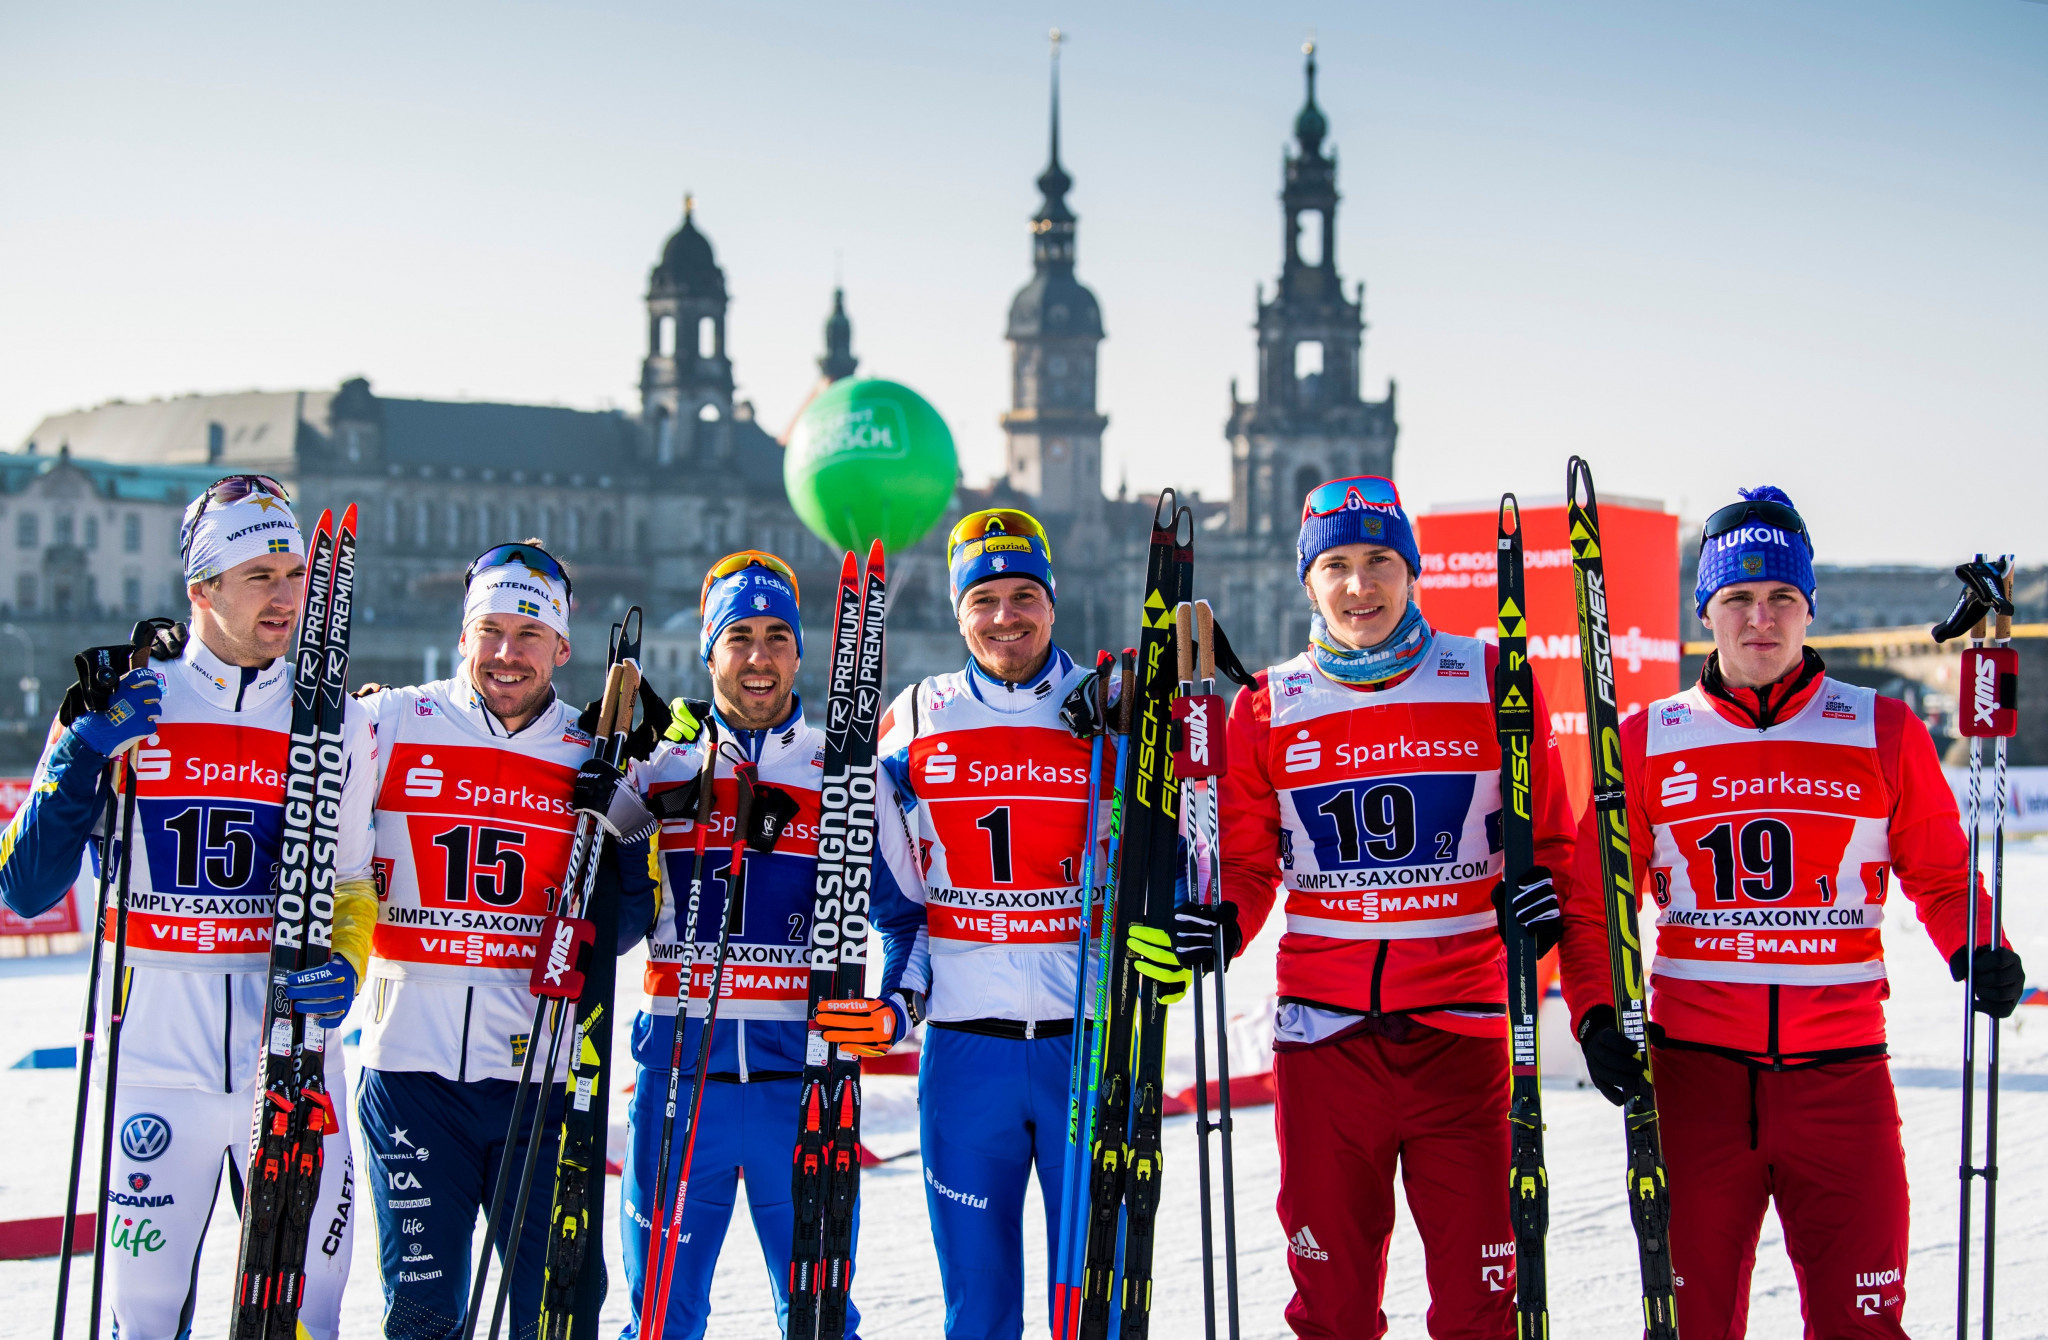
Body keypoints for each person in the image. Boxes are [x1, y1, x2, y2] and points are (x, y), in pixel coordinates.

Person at [1549, 487, 2026, 1338]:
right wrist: (1590, 1011)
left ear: (1810, 609)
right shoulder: (1646, 737)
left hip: (1841, 1081)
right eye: (1737, 599)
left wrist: (1978, 942)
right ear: (1707, 612)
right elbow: (1591, 903)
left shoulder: (1881, 728)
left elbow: (1945, 875)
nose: (1760, 620)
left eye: (1782, 599)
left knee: (1863, 1322)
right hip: (1695, 1080)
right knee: (1694, 1321)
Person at [1192, 475, 1577, 1340]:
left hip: (1466, 1036)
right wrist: (1224, 921)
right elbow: (1253, 866)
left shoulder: (1490, 677)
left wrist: (1540, 909)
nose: (1359, 586)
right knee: (1331, 1304)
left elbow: (1550, 844)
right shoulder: (1267, 704)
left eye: (1379, 562)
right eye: (1336, 565)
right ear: (1309, 580)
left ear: (1412, 572)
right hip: (1326, 1044)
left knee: (1481, 1303)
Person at [0, 476, 376, 1340]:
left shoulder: (336, 719)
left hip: (290, 1059)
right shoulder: (123, 702)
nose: (286, 596)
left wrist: (347, 965)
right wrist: (82, 759)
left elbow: (354, 882)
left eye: (294, 573)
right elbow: (24, 888)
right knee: (143, 1316)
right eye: (259, 576)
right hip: (152, 1069)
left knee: (310, 1313)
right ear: (201, 587)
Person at [829, 509, 1166, 1340]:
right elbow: (905, 912)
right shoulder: (913, 721)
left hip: (1086, 1049)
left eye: (1025, 595)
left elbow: (1178, 869)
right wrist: (891, 1009)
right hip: (966, 1058)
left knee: (1095, 1310)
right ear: (958, 611)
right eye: (984, 599)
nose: (1006, 616)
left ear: (1053, 602)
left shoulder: (1110, 712)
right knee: (978, 1311)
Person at [351, 541, 653, 1340]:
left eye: (529, 633)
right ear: (462, 636)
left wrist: (622, 819)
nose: (506, 653)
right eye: (490, 630)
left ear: (562, 646)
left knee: (557, 1316)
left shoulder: (593, 749)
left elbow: (624, 928)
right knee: (422, 1316)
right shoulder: (387, 722)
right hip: (411, 1076)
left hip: (543, 1085)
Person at [599, 551, 878, 1340]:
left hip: (806, 1087)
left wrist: (896, 1006)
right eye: (739, 636)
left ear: (800, 648)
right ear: (708, 650)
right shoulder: (659, 767)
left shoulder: (848, 772)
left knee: (821, 1322)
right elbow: (615, 925)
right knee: (659, 1322)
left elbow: (905, 916)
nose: (759, 657)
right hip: (682, 1088)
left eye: (777, 636)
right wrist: (617, 805)